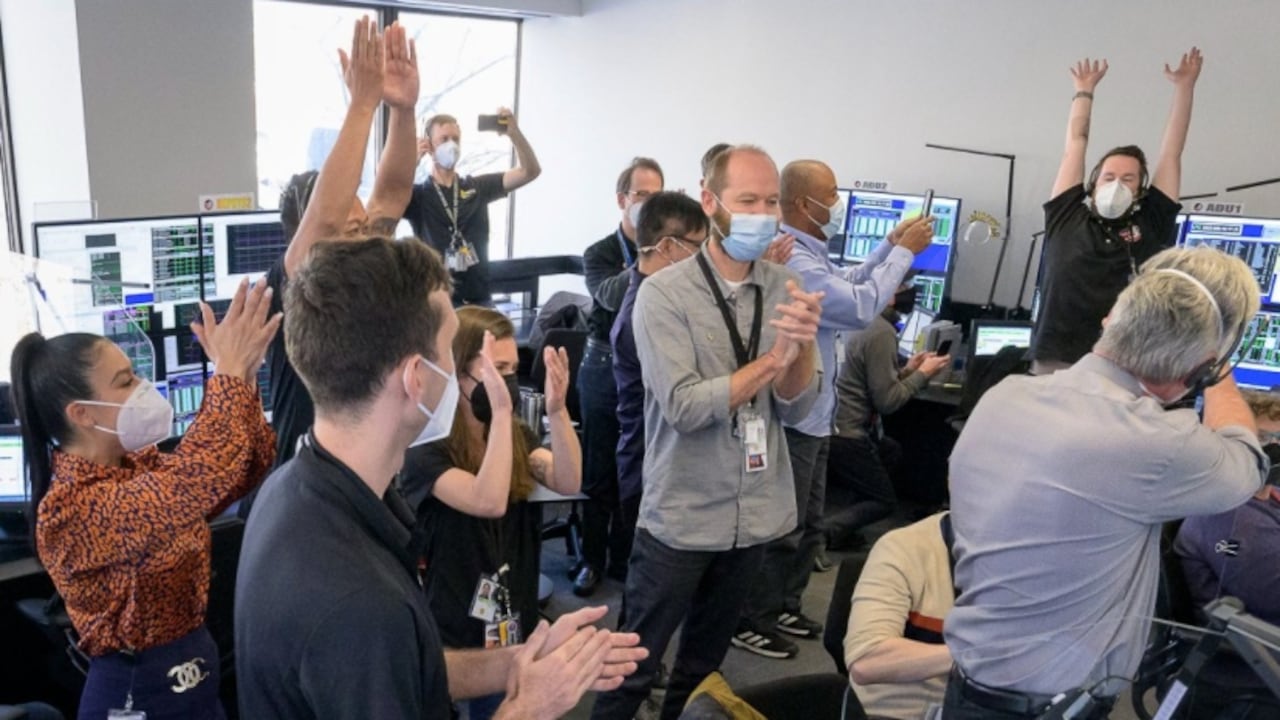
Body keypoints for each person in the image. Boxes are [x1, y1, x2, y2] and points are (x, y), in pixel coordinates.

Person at [235, 237, 645, 719]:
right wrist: (529, 708)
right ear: (416, 377)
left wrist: (520, 661)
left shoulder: (295, 488)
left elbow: (410, 668)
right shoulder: (361, 604)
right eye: (450, 356)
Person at [943, 246, 1267, 720]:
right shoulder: (1156, 443)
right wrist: (1218, 376)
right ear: (1203, 366)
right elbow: (1247, 465)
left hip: (972, 688)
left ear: (1111, 319)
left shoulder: (1004, 395)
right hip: (1046, 709)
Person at [590, 145, 823, 720]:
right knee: (632, 669)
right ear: (710, 201)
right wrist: (773, 360)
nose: (762, 214)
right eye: (748, 201)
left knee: (704, 673)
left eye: (771, 202)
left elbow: (797, 408)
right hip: (683, 514)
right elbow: (685, 407)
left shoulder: (786, 285)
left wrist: (799, 353)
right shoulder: (663, 293)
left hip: (754, 512)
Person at [9, 277, 281, 720]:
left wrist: (244, 377)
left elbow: (243, 469)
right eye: (125, 381)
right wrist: (227, 376)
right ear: (81, 414)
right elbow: (194, 482)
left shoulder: (139, 464)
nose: (141, 387)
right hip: (139, 697)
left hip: (195, 681)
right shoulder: (70, 509)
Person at [735, 159, 934, 659]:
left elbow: (849, 281)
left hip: (818, 414)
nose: (837, 202)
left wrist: (887, 247)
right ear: (805, 203)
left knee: (807, 522)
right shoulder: (793, 259)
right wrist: (904, 255)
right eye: (831, 194)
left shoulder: (809, 252)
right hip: (796, 415)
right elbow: (860, 306)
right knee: (784, 525)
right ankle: (752, 617)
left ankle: (784, 604)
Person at [399, 306, 582, 719]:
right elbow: (488, 499)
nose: (508, 382)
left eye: (513, 369)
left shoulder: (514, 433)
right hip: (455, 620)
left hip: (511, 611)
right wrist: (500, 414)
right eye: (497, 369)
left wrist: (557, 411)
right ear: (458, 373)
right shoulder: (425, 448)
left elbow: (568, 480)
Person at [261, 17, 420, 474]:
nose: (363, 237)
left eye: (362, 226)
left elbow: (392, 194)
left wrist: (403, 110)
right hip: (307, 479)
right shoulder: (292, 286)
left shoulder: (357, 268)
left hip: (365, 469)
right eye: (350, 231)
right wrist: (363, 105)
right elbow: (327, 219)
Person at [1031, 48, 1203, 375]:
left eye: (1128, 179)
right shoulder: (1066, 215)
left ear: (1140, 190)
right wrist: (1084, 91)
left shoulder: (1151, 221)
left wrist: (1184, 88)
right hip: (1056, 358)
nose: (1117, 185)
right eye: (1109, 177)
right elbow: (1075, 143)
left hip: (1125, 362)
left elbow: (1171, 153)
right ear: (1094, 183)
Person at [609, 192, 711, 595]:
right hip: (649, 464)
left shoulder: (668, 299)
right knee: (651, 597)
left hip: (659, 459)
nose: (705, 258)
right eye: (698, 246)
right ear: (667, 247)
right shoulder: (645, 310)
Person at [574, 157, 665, 596]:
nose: (648, 204)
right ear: (621, 200)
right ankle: (590, 560)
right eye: (641, 195)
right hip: (602, 368)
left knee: (636, 468)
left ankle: (622, 558)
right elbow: (609, 295)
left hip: (647, 367)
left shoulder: (672, 254)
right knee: (600, 470)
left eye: (656, 196)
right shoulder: (600, 253)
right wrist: (648, 258)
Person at [1172, 390, 1280, 718]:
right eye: (1266, 439)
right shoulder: (1232, 518)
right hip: (1251, 674)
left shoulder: (1262, 498)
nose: (1275, 448)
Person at [823, 279, 951, 554]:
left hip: (831, 423)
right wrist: (923, 374)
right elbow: (888, 402)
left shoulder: (855, 319)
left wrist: (908, 371)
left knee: (890, 451)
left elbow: (871, 382)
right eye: (903, 285)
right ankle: (823, 535)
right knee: (884, 502)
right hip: (848, 432)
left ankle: (845, 528)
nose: (910, 291)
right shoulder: (880, 331)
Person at [408, 107, 542, 305]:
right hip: (436, 301)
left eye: (456, 139)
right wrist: (411, 162)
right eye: (444, 139)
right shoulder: (419, 195)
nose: (451, 145)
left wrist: (514, 134)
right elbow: (388, 196)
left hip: (478, 298)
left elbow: (529, 171)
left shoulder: (477, 187)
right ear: (429, 145)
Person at [845, 512, 955, 720]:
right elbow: (867, 660)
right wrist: (978, 657)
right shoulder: (905, 548)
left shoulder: (1020, 559)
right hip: (900, 713)